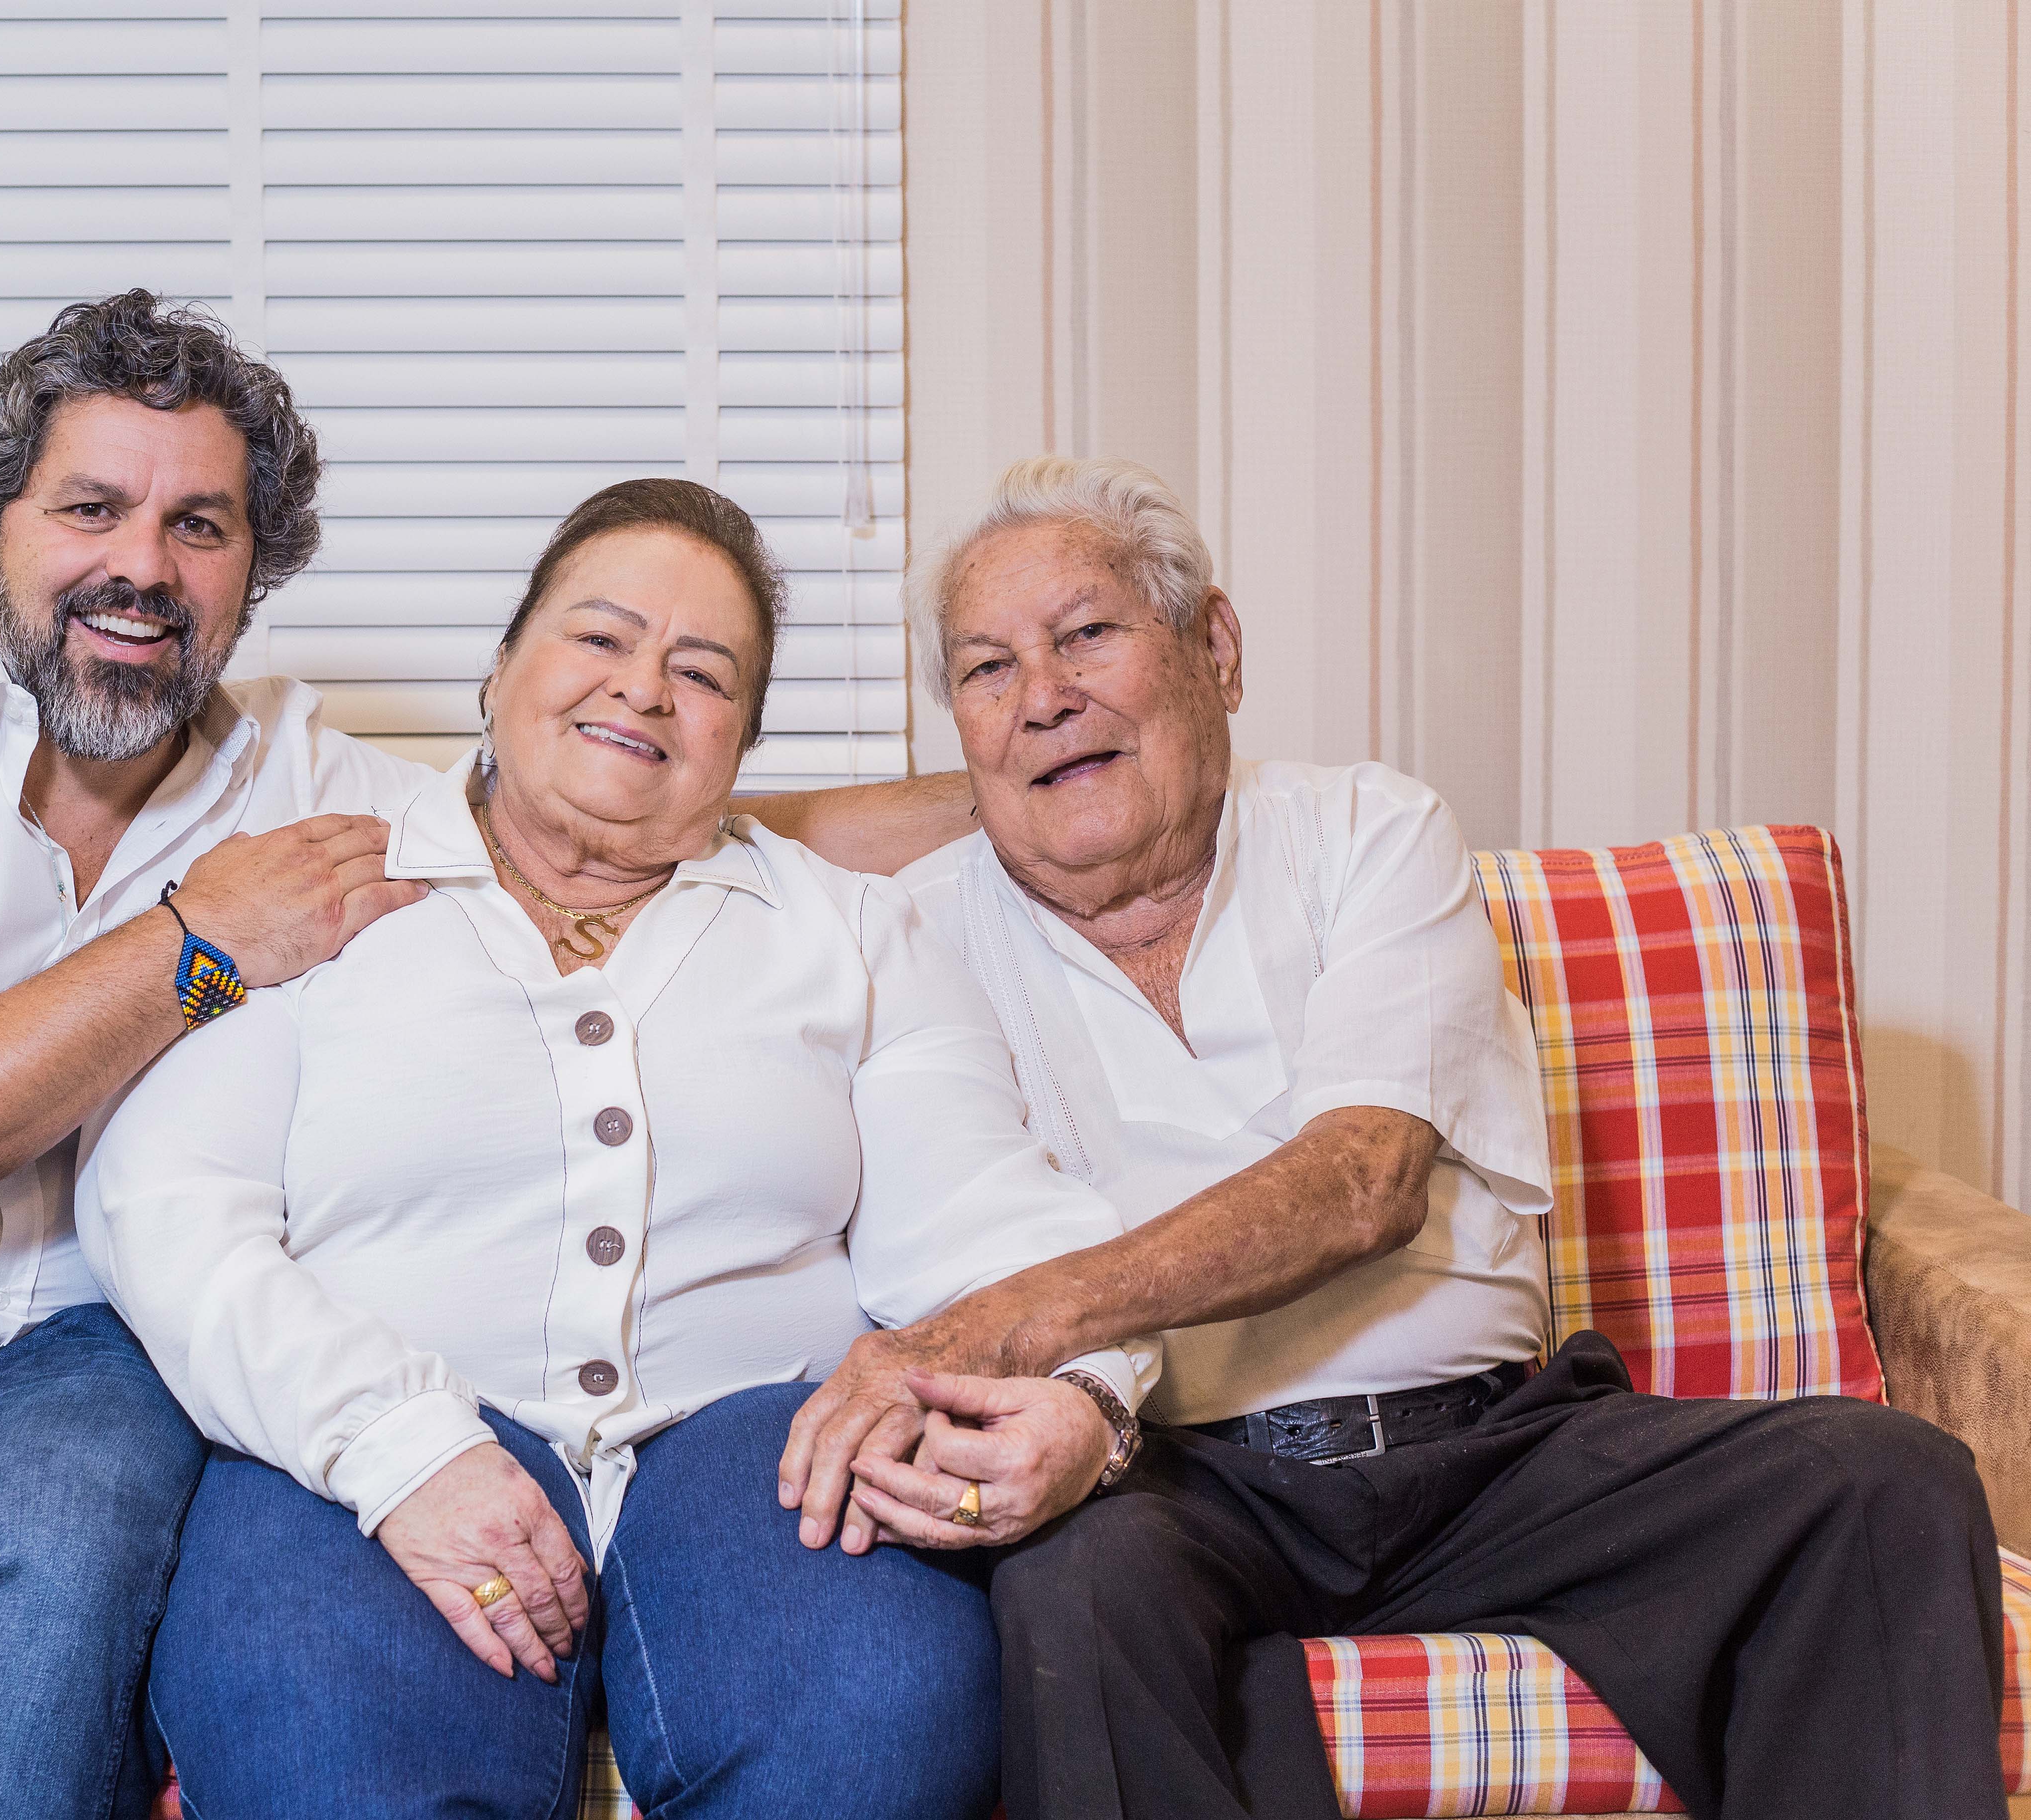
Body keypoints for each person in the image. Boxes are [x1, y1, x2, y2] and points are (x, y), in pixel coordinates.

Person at [0, 290, 966, 1820]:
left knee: (57, 1586)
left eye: (200, 527)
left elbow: (619, 799)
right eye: (92, 509)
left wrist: (1037, 790)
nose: (143, 565)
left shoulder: (302, 782)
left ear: (249, 580)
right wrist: (196, 944)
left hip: (73, 1358)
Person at [780, 456, 2011, 1820]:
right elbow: (701, 835)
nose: (1044, 696)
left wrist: (994, 1327)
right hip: (1179, 1478)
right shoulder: (917, 929)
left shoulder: (1370, 831)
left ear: (1216, 648)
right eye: (986, 671)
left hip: (1494, 1457)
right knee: (1071, 1593)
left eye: (1087, 635)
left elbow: (1362, 1182)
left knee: (1878, 1485)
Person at [75, 478, 1159, 1820]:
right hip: (346, 1455)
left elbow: (982, 1214)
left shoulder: (853, 933)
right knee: (324, 1741)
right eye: (599, 640)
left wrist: (1092, 1385)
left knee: (878, 1718)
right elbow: (163, 1204)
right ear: (500, 671)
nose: (643, 689)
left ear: (742, 743)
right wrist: (392, 1443)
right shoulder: (313, 894)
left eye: (702, 673)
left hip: (769, 1450)